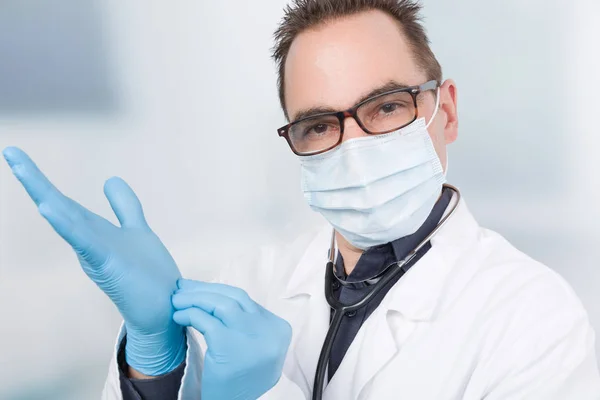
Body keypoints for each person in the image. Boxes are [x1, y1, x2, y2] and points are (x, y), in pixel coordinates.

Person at [3, 0, 600, 399]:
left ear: (443, 110)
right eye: (318, 124)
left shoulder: (534, 321)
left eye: (386, 107)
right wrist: (152, 362)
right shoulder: (249, 282)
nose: (355, 145)